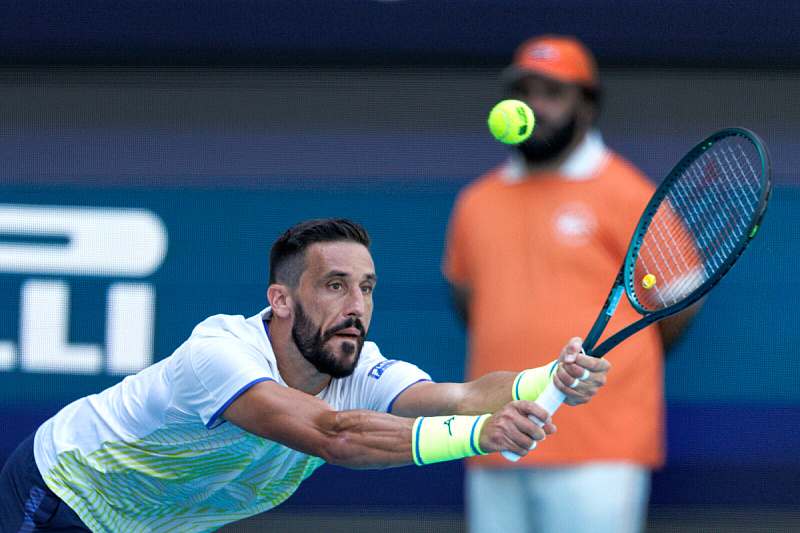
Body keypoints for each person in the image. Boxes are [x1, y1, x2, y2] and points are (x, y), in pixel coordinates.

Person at [0, 218, 610, 533]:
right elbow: (334, 436)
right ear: (282, 299)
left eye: (366, 287)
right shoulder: (219, 352)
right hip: (63, 493)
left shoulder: (359, 366)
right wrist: (479, 435)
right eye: (335, 285)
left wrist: (548, 379)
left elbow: (464, 395)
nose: (357, 306)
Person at [442, 36, 700, 533]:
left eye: (553, 92)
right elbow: (470, 304)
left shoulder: (630, 193)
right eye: (525, 91)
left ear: (587, 104)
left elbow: (676, 309)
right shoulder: (475, 202)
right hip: (495, 436)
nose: (535, 105)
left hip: (599, 447)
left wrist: (616, 368)